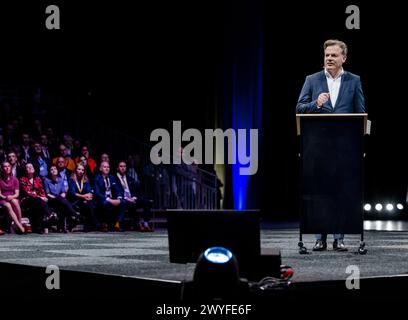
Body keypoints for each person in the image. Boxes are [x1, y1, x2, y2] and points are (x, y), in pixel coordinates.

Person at [296, 39, 365, 251]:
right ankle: (320, 238)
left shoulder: (354, 81)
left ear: (343, 58)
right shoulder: (312, 79)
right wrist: (316, 104)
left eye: (334, 55)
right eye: (327, 55)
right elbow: (299, 107)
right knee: (320, 192)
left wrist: (361, 144)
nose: (329, 59)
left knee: (341, 192)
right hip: (317, 148)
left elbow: (361, 113)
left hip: (345, 149)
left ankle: (339, 238)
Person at [116, 161, 154, 232]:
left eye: (124, 166)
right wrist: (127, 199)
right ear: (118, 168)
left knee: (146, 202)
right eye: (121, 166)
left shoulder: (129, 178)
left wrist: (134, 197)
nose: (123, 168)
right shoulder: (114, 179)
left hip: (132, 199)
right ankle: (138, 224)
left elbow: (136, 191)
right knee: (131, 205)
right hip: (124, 200)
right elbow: (116, 192)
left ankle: (146, 224)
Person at [0, 161, 25, 234]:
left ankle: (19, 223)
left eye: (8, 166)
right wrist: (5, 197)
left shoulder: (15, 179)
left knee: (15, 201)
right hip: (3, 198)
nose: (7, 168)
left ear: (11, 168)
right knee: (8, 205)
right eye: (5, 166)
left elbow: (17, 193)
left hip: (12, 197)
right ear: (2, 168)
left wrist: (11, 197)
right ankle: (20, 227)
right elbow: (0, 194)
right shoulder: (0, 180)